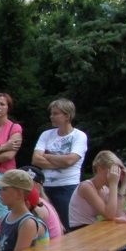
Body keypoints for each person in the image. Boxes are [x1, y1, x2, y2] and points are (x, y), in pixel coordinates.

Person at [32, 98, 88, 231]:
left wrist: (46, 155)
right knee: (46, 225)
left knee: (67, 225)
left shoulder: (79, 136)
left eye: (56, 113)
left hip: (67, 187)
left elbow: (70, 160)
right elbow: (35, 160)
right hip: (46, 187)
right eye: (51, 113)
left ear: (67, 116)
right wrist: (61, 162)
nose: (52, 116)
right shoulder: (46, 135)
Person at [67, 150, 126, 229]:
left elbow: (118, 212)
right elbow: (109, 215)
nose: (114, 175)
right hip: (80, 230)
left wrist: (124, 183)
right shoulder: (86, 187)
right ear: (100, 169)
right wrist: (113, 184)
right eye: (112, 171)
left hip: (91, 228)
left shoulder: (104, 189)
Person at [18, 165, 64, 241]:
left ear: (38, 186)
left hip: (49, 249)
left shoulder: (37, 207)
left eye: (26, 182)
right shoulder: (43, 202)